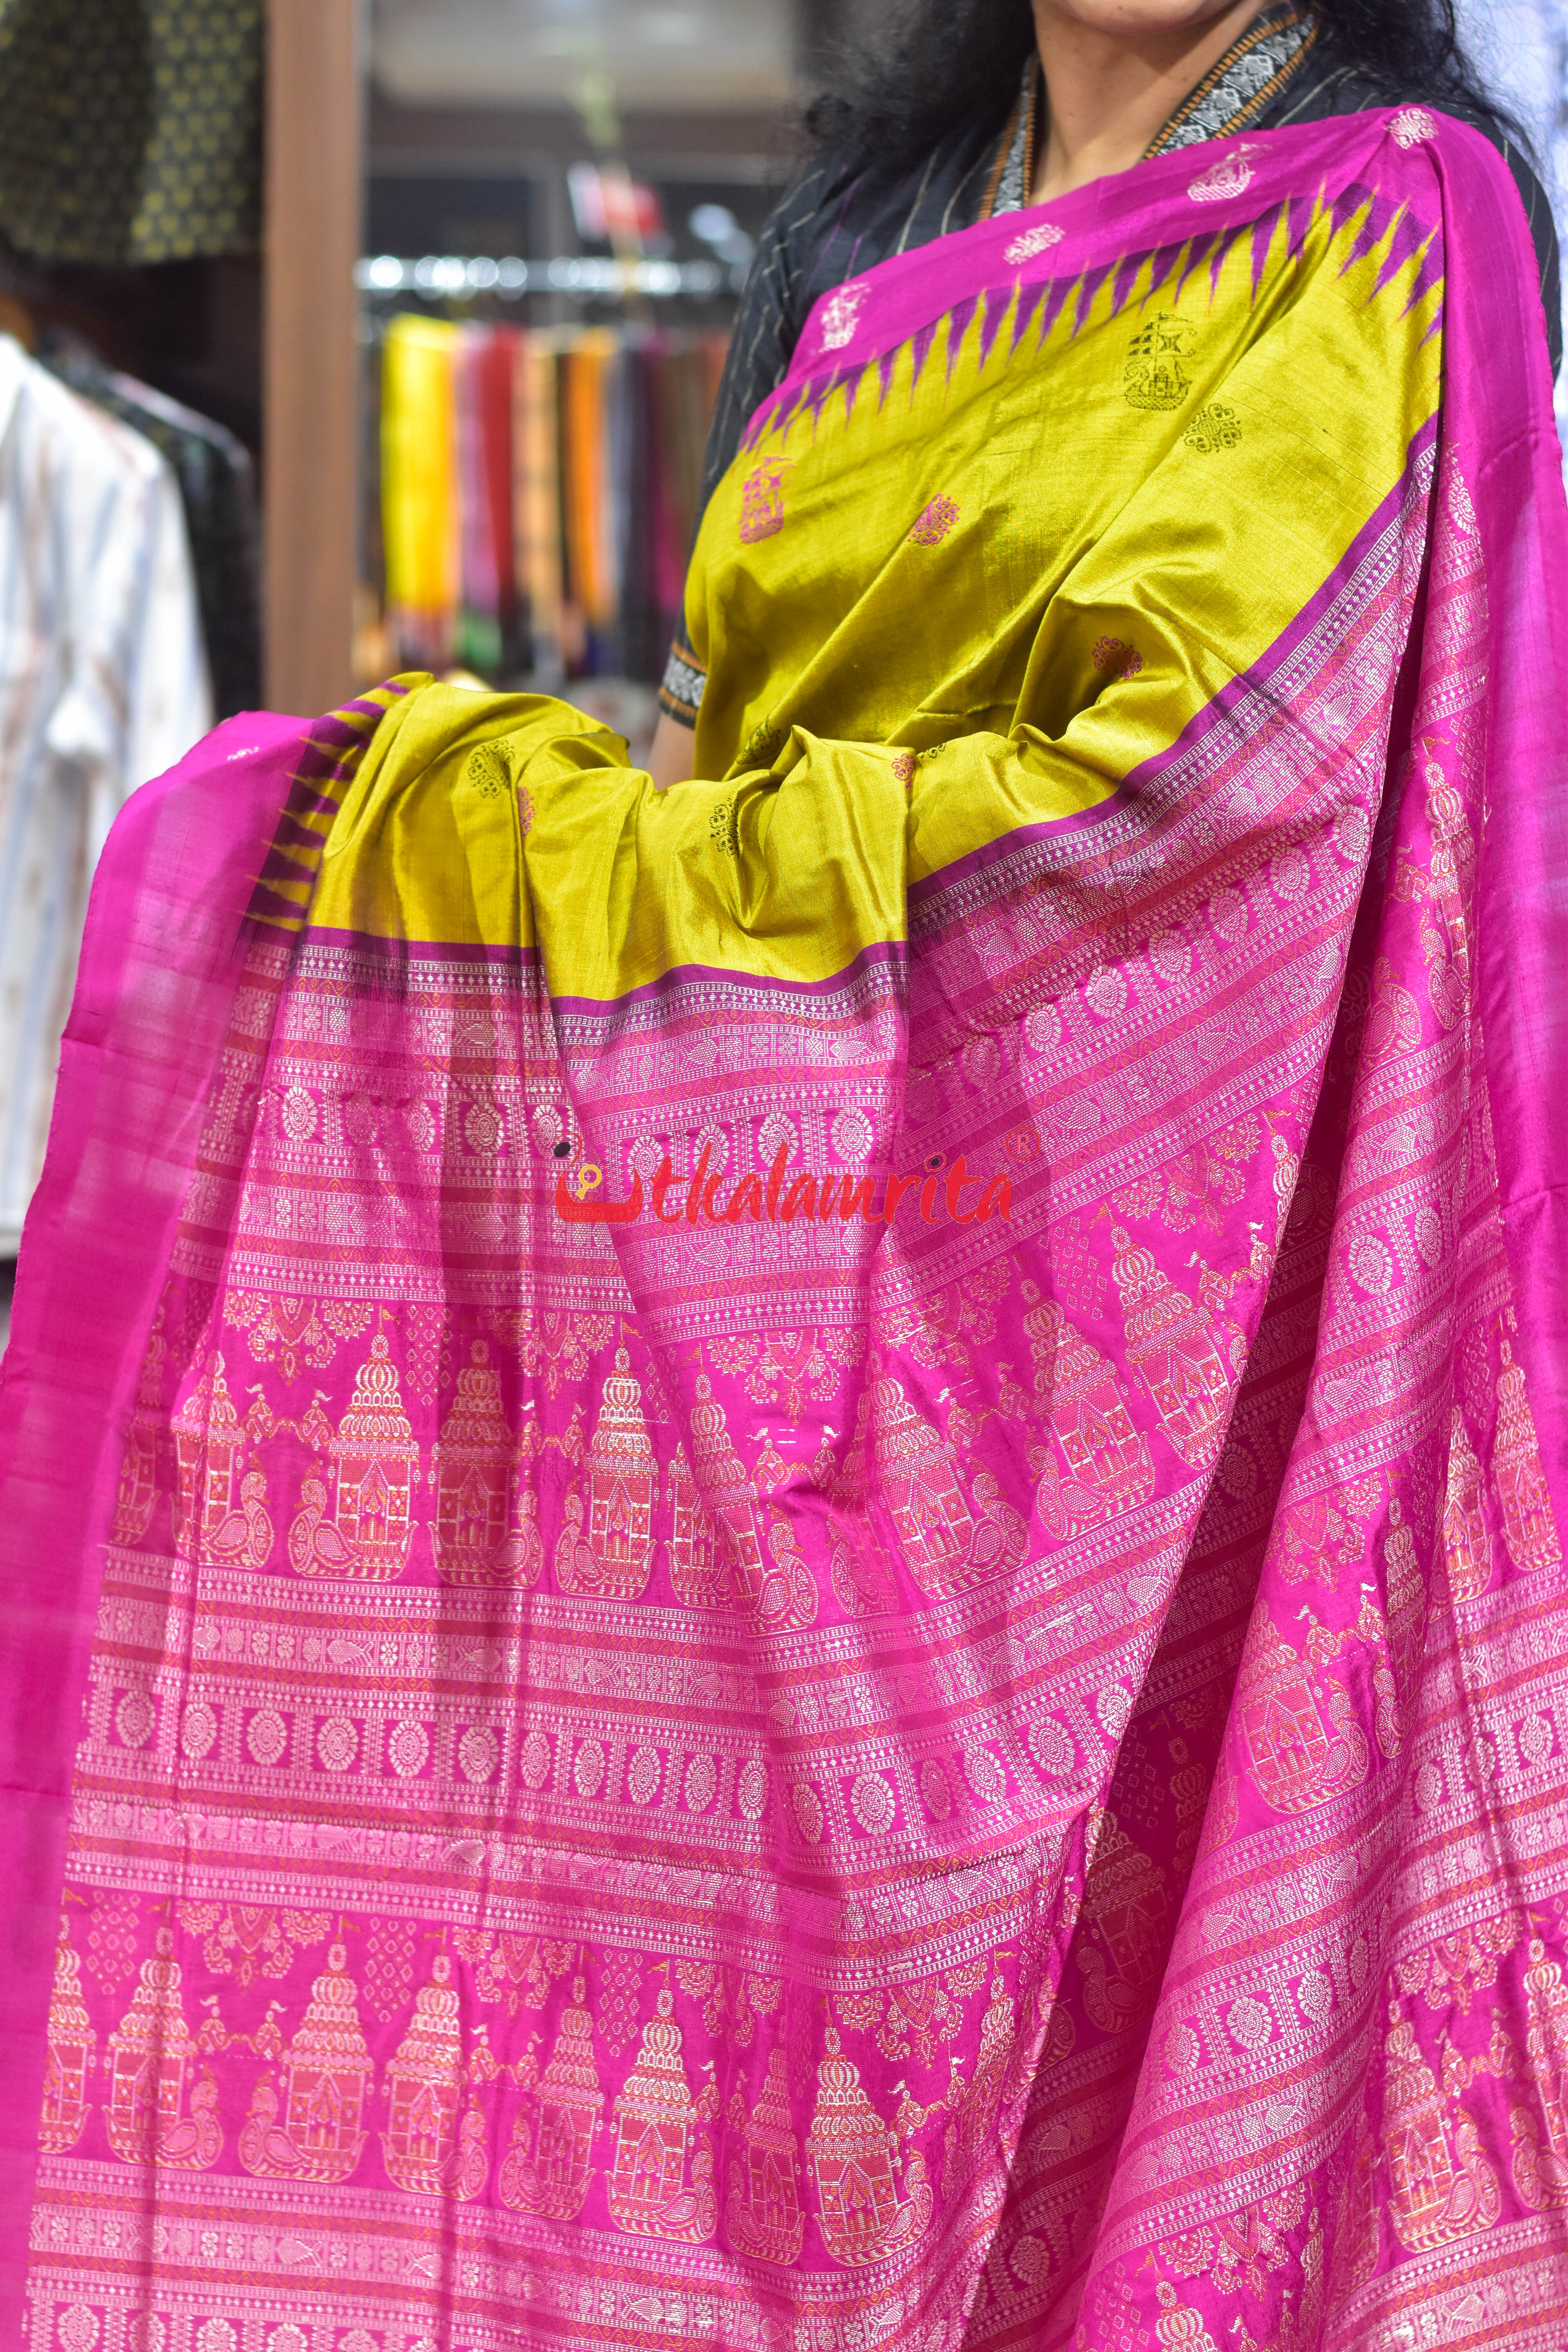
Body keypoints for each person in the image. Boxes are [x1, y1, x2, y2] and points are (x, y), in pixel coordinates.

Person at [1, 8, 1566, 2352]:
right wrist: (584, 919)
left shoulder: (1387, 227)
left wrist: (488, 849)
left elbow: (1200, 846)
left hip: (1168, 1397)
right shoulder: (866, 232)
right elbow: (747, 758)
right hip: (776, 1289)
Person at [648, 0, 1562, 783]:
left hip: (1220, 975)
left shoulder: (1403, 204)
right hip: (790, 951)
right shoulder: (838, 227)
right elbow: (705, 698)